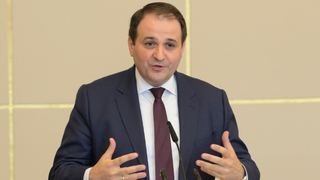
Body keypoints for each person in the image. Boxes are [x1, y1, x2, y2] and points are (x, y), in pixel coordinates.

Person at [49, 2, 260, 180]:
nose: (160, 55)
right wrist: (91, 176)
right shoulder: (94, 98)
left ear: (182, 49)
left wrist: (240, 172)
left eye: (170, 45)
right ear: (131, 46)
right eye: (150, 43)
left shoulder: (212, 99)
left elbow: (247, 166)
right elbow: (60, 171)